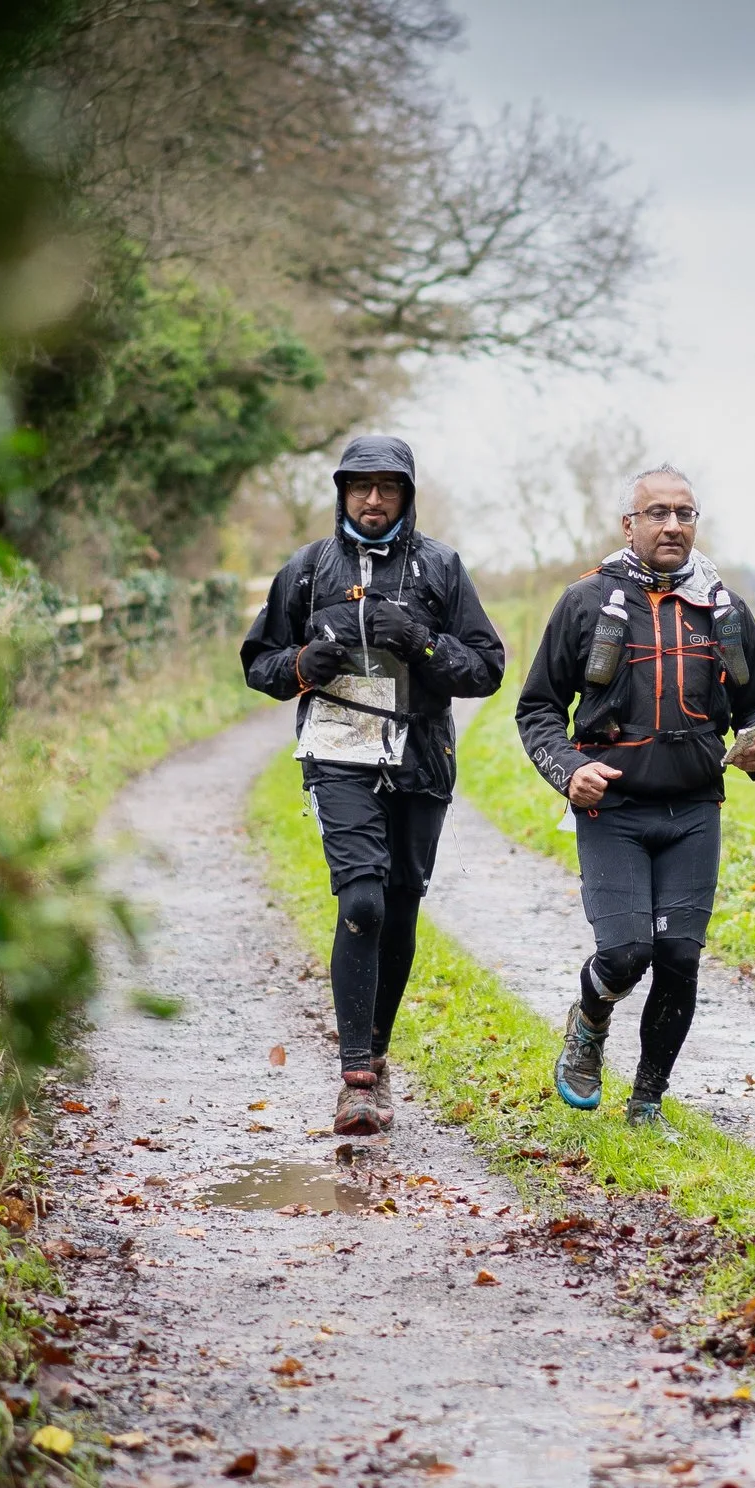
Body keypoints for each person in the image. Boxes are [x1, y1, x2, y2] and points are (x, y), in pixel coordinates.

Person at [243, 436, 506, 1134]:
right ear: (342, 491)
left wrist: (420, 639)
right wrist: (302, 662)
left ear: (407, 494)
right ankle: (355, 1078)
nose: (373, 498)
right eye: (360, 485)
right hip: (339, 754)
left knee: (398, 906)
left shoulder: (441, 567)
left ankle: (379, 1056)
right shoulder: (307, 568)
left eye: (388, 486)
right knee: (360, 898)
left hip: (421, 757)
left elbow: (486, 669)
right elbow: (258, 663)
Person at [515, 465, 755, 1124]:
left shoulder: (723, 608)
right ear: (628, 525)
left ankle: (646, 1103)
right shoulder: (585, 602)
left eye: (685, 513)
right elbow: (538, 709)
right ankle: (590, 1017)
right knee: (627, 951)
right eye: (658, 512)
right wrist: (568, 770)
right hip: (614, 808)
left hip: (694, 809)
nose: (672, 524)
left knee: (679, 957)